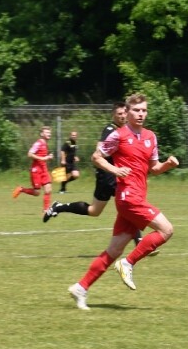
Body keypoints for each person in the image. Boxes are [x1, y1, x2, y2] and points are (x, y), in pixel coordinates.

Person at [67, 94, 178, 310]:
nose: (141, 114)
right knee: (166, 230)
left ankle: (81, 288)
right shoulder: (118, 135)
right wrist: (115, 169)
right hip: (128, 197)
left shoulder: (150, 137)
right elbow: (96, 157)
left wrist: (168, 165)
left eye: (144, 110)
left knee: (114, 250)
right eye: (136, 110)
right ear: (126, 113)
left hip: (137, 197)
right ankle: (128, 264)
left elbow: (153, 168)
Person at [44, 103, 126, 222]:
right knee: (95, 210)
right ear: (113, 115)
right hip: (108, 175)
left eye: (124, 113)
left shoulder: (124, 130)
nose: (123, 116)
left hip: (117, 174)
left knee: (126, 204)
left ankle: (59, 207)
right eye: (119, 113)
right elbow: (99, 149)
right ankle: (59, 207)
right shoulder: (110, 129)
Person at [12, 125, 54, 214]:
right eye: (47, 132)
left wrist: (48, 157)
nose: (49, 134)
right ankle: (21, 189)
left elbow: (43, 157)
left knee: (48, 189)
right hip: (36, 170)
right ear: (41, 134)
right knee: (37, 193)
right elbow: (29, 154)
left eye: (50, 132)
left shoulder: (45, 143)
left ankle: (46, 210)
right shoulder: (38, 143)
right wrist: (43, 158)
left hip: (44, 169)